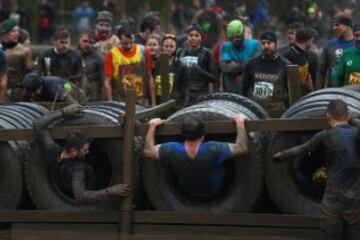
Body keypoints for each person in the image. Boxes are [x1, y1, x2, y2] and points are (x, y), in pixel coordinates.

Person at [272, 99, 360, 240]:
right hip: (355, 197)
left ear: (328, 117)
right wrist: (354, 120)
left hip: (334, 197)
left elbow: (302, 149)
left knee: (331, 233)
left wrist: (280, 155)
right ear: (348, 116)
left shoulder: (325, 135)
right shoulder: (356, 134)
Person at [34, 104, 130, 204]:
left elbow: (39, 125)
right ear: (73, 150)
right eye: (84, 150)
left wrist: (64, 112)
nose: (88, 152)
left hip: (69, 186)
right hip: (72, 193)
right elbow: (80, 196)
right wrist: (109, 191)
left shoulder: (52, 150)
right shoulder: (78, 169)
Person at [143, 114, 248, 198]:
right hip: (217, 192)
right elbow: (242, 148)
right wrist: (240, 123)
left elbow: (148, 151)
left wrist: (152, 126)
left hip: (188, 194)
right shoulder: (213, 149)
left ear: (182, 135)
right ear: (202, 136)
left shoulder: (172, 150)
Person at [241, 31, 290, 116]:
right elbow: (244, 88)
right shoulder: (251, 64)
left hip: (278, 111)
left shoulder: (286, 65)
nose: (266, 46)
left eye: (269, 43)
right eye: (263, 43)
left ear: (275, 44)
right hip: (255, 111)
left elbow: (290, 91)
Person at [104, 24, 154, 105]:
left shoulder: (144, 51)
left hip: (142, 101)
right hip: (121, 102)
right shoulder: (112, 55)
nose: (129, 46)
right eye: (125, 43)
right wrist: (111, 104)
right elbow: (107, 82)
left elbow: (150, 77)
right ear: (119, 39)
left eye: (131, 42)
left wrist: (153, 103)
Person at [172, 23, 217, 107]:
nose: (193, 38)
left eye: (197, 35)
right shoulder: (180, 53)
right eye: (191, 35)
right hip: (182, 96)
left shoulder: (207, 54)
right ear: (187, 37)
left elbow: (213, 78)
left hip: (200, 96)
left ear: (201, 37)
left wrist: (199, 70)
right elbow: (176, 76)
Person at [220, 19, 260, 94]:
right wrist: (247, 65)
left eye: (237, 37)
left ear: (242, 34)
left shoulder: (255, 45)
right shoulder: (225, 46)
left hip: (250, 90)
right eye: (232, 38)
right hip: (231, 91)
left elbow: (256, 66)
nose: (235, 40)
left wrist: (242, 73)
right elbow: (225, 68)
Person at [0, 19, 32, 101]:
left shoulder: (24, 51)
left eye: (17, 31)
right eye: (13, 31)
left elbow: (29, 73)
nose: (16, 33)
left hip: (16, 92)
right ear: (5, 33)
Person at [318, 15, 354, 89]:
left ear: (347, 26)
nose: (334, 28)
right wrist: (319, 92)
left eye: (337, 25)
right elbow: (321, 72)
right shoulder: (329, 45)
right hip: (334, 91)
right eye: (333, 26)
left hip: (354, 92)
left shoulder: (357, 44)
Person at [283, 27, 317, 96]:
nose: (311, 43)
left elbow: (314, 77)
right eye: (311, 41)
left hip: (307, 95)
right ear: (307, 41)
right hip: (290, 95)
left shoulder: (312, 56)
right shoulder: (287, 56)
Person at [77, 30, 104, 101]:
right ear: (79, 40)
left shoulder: (99, 58)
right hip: (75, 98)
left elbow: (104, 83)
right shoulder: (72, 56)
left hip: (93, 100)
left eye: (90, 42)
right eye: (85, 41)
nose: (87, 44)